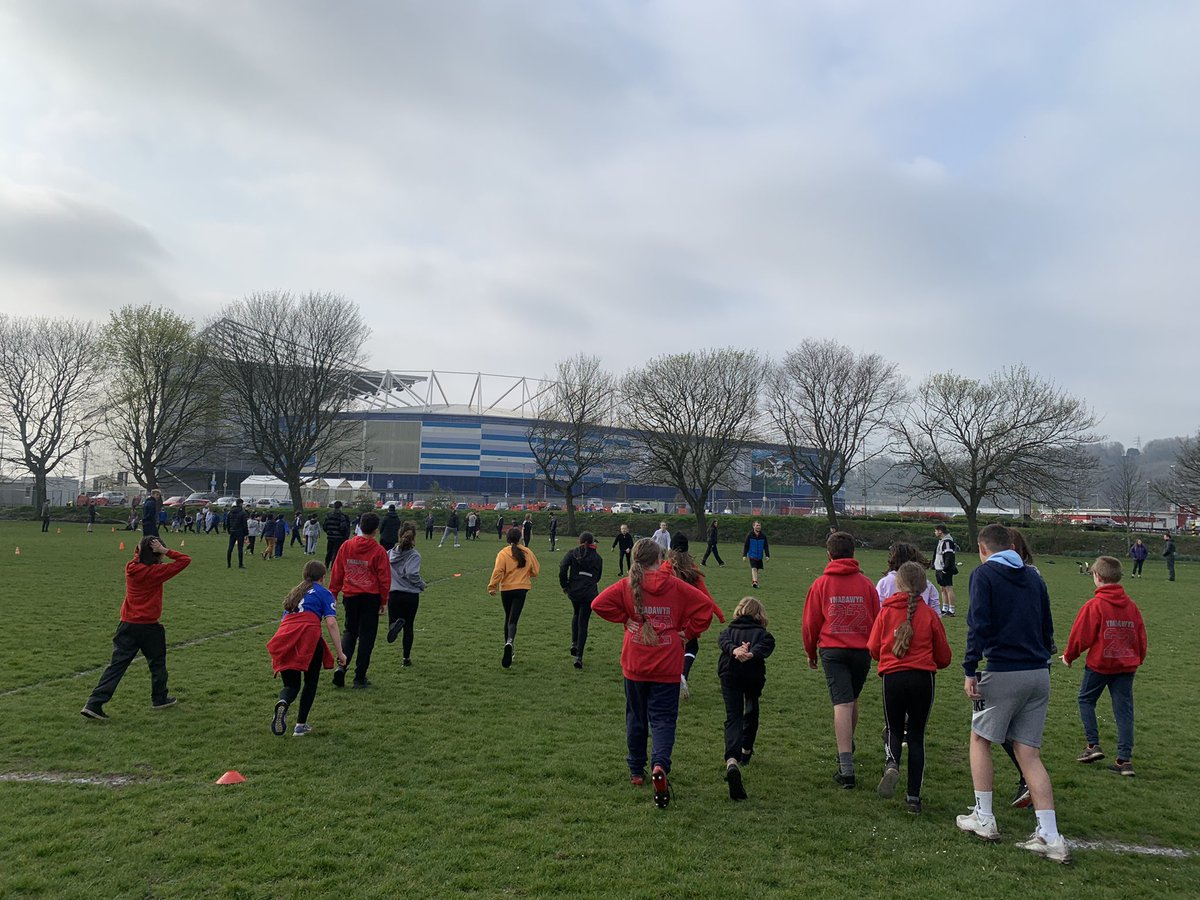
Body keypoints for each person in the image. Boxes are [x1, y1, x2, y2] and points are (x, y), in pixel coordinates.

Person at [957, 524, 1068, 864]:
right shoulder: (1034, 576)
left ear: (982, 548)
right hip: (1039, 672)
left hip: (1004, 671)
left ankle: (984, 816)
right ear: (1013, 545)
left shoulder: (984, 575)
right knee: (1029, 754)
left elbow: (978, 623)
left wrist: (970, 668)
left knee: (980, 739)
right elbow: (1047, 623)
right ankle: (1050, 835)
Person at [592, 538, 715, 808]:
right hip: (668, 663)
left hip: (635, 662)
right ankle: (660, 765)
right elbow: (706, 608)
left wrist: (625, 619)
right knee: (663, 719)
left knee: (636, 717)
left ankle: (637, 771)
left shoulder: (627, 585)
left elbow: (598, 604)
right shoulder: (675, 585)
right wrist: (686, 632)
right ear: (660, 559)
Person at [867, 561, 952, 814]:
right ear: (924, 585)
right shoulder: (929, 615)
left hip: (893, 677)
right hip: (922, 679)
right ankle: (913, 798)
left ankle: (892, 762)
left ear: (898, 583)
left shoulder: (886, 612)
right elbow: (945, 657)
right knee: (916, 736)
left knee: (893, 728)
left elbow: (872, 649)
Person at [81, 536, 191, 719]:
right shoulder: (157, 572)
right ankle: (159, 698)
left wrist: (144, 547)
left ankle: (94, 702)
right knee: (157, 664)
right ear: (156, 554)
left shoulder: (130, 568)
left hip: (127, 624)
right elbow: (185, 560)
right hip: (149, 626)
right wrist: (165, 551)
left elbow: (138, 557)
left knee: (116, 666)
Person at [803, 530, 880, 788]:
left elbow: (810, 623)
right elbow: (877, 618)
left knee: (842, 704)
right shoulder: (867, 584)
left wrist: (810, 652)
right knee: (851, 699)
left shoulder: (821, 584)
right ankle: (847, 744)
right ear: (853, 554)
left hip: (833, 649)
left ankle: (846, 767)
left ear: (829, 554)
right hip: (861, 650)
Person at [1062, 555, 1148, 777]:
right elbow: (1140, 636)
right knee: (1124, 711)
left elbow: (1080, 636)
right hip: (1126, 667)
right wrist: (1138, 658)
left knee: (1086, 699)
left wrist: (1069, 656)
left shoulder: (1095, 605)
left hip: (1100, 665)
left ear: (1097, 576)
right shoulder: (1132, 606)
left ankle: (1093, 745)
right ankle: (1124, 760)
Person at [267, 560, 346, 737]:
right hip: (308, 636)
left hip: (285, 636)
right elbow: (331, 623)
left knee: (291, 684)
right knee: (310, 681)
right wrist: (340, 652)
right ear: (323, 577)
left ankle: (283, 702)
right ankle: (300, 725)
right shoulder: (324, 593)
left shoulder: (295, 593)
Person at [717, 596, 775, 801]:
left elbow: (722, 641)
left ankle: (731, 760)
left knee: (733, 717)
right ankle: (746, 749)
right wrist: (750, 654)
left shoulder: (729, 631)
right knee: (751, 709)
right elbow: (768, 645)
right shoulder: (762, 634)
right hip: (752, 676)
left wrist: (735, 650)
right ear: (759, 614)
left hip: (729, 674)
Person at [329, 512, 391, 689]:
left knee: (350, 632)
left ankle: (341, 667)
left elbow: (337, 571)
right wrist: (384, 601)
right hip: (370, 597)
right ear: (376, 530)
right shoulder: (378, 551)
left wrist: (333, 594)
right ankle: (359, 677)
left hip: (350, 596)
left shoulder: (346, 546)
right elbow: (384, 578)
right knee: (366, 638)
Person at [662, 533, 725, 701]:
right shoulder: (692, 570)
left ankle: (667, 680)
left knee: (667, 647)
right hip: (687, 618)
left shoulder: (665, 568)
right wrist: (718, 613)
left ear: (671, 550)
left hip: (667, 616)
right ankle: (682, 674)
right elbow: (705, 596)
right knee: (691, 647)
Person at [487, 526, 541, 668]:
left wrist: (492, 586)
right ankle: (510, 642)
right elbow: (536, 570)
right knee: (513, 620)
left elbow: (498, 571)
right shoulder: (527, 552)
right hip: (521, 589)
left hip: (507, 589)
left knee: (508, 617)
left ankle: (508, 646)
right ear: (520, 538)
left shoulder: (503, 553)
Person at [559, 531, 603, 668]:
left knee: (576, 613)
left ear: (579, 541)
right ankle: (579, 656)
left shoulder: (572, 553)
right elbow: (598, 577)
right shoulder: (597, 558)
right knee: (583, 622)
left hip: (574, 591)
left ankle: (574, 643)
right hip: (588, 593)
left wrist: (565, 585)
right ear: (592, 543)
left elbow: (562, 568)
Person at [386, 521, 427, 667]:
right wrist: (421, 584)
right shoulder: (414, 555)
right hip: (410, 595)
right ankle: (406, 658)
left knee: (392, 622)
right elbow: (411, 573)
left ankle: (394, 625)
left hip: (394, 594)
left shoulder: (389, 553)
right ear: (414, 538)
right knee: (408, 627)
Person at [875, 543, 939, 616]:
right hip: (922, 623)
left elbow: (878, 610)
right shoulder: (926, 583)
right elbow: (936, 613)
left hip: (892, 623)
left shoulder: (884, 583)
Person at [933, 525, 958, 615]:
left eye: (936, 531)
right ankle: (945, 607)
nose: (935, 533)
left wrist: (945, 569)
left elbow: (949, 556)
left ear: (940, 531)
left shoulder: (947, 542)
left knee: (948, 588)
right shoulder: (941, 541)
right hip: (939, 568)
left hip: (945, 568)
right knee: (942, 588)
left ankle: (951, 609)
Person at [742, 521, 770, 589]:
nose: (758, 527)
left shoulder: (763, 536)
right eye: (757, 525)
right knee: (754, 568)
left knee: (757, 569)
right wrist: (744, 555)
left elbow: (766, 546)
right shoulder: (750, 535)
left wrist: (767, 555)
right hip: (752, 555)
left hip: (759, 556)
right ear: (753, 526)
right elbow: (746, 545)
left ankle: (754, 581)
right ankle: (755, 582)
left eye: (759, 525)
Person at [323, 500, 351, 568]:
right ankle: (333, 566)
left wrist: (329, 532)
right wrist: (344, 536)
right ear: (341, 507)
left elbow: (325, 526)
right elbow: (343, 527)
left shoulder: (328, 515)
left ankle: (326, 565)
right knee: (336, 552)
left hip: (330, 536)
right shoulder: (342, 516)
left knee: (329, 551)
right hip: (339, 537)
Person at [226, 498, 249, 569]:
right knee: (240, 548)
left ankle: (229, 564)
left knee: (230, 548)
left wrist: (229, 530)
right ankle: (240, 564)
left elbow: (227, 523)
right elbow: (244, 524)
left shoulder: (230, 512)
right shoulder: (242, 513)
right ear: (241, 504)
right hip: (240, 532)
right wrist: (246, 533)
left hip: (232, 531)